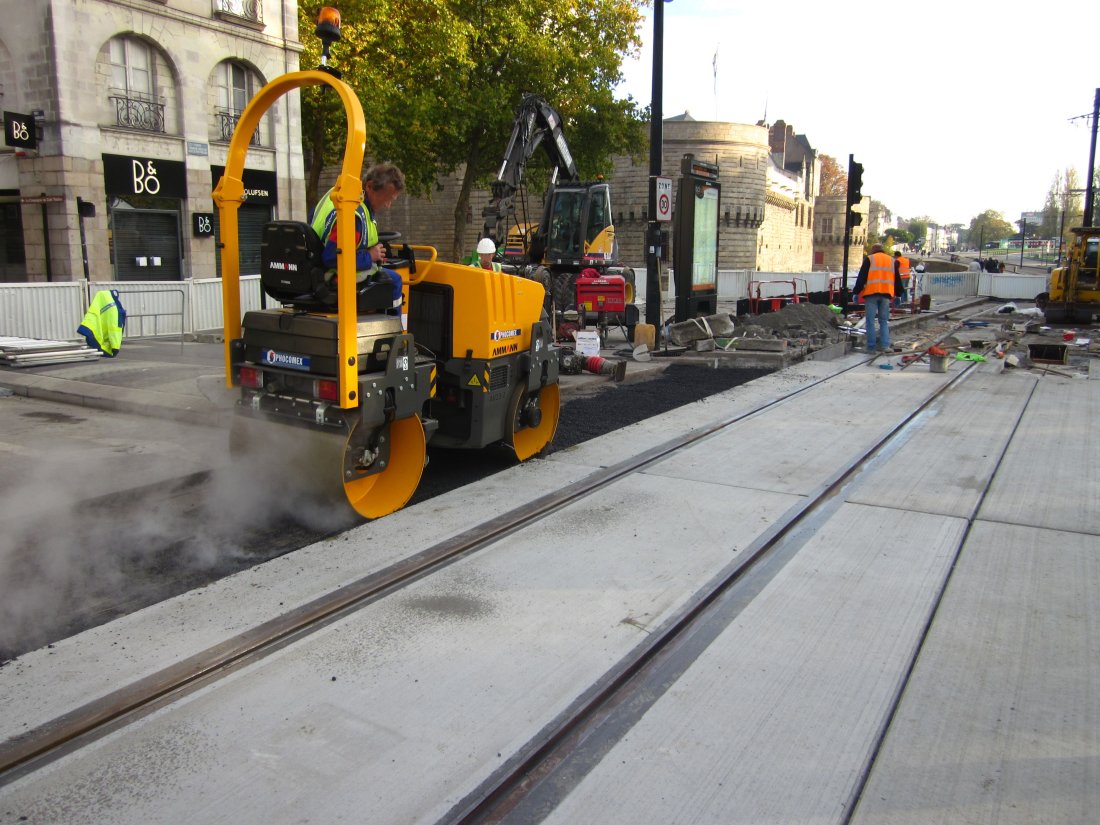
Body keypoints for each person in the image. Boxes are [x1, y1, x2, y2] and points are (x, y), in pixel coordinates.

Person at [310, 162, 406, 314]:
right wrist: (370, 255)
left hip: (314, 268)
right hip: (330, 276)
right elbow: (331, 257)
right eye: (386, 198)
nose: (388, 206)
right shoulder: (352, 213)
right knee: (394, 280)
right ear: (370, 186)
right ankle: (394, 330)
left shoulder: (335, 194)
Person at [852, 242, 902, 353]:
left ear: (873, 250)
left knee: (870, 321)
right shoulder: (892, 260)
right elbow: (897, 279)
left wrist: (856, 292)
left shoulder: (870, 259)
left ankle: (871, 347)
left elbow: (861, 277)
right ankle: (885, 346)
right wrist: (898, 294)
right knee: (883, 321)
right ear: (882, 250)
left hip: (871, 293)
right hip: (886, 294)